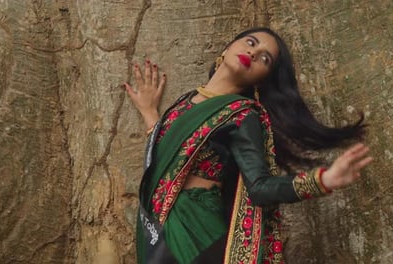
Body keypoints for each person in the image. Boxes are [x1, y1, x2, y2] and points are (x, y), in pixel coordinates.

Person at [124, 27, 373, 264]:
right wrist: (149, 113)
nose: (253, 53)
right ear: (228, 47)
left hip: (199, 230)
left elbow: (259, 187)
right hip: (160, 228)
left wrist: (323, 180)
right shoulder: (184, 102)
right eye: (251, 43)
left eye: (264, 59)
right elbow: (166, 159)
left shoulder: (242, 115)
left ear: (262, 80)